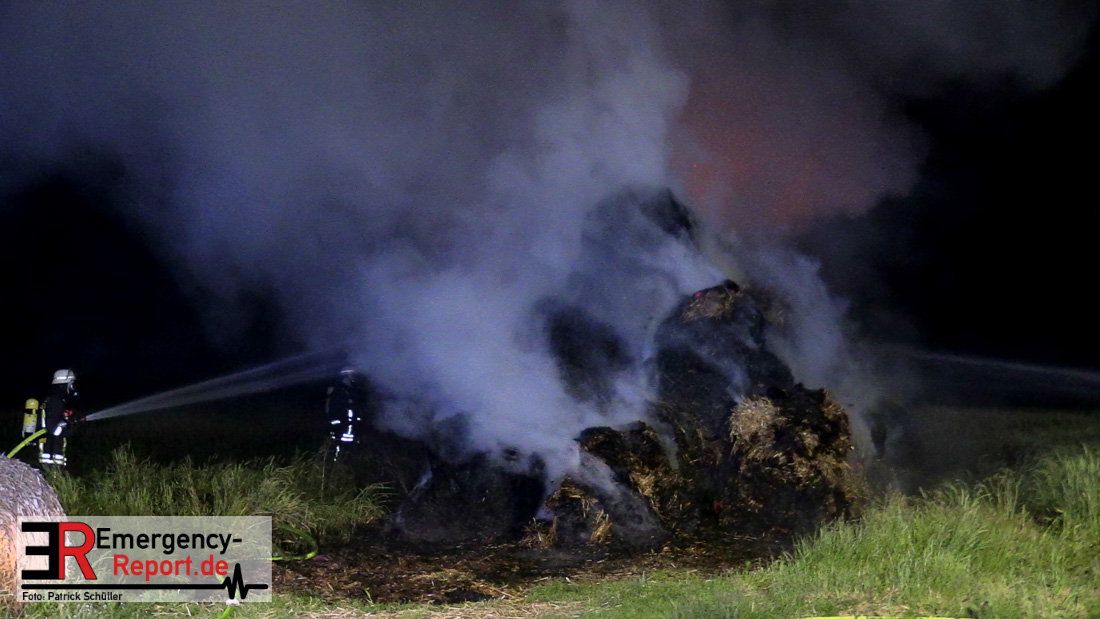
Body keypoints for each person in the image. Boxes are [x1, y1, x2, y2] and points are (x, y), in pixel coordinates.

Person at [40, 369, 80, 467]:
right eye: (71, 384)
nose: (72, 388)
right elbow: (53, 428)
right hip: (52, 456)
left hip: (50, 452)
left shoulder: (53, 400)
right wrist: (69, 428)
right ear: (66, 385)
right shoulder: (56, 402)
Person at [325, 367, 364, 463]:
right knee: (340, 449)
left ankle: (347, 466)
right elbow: (334, 409)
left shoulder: (352, 390)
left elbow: (356, 409)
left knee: (350, 451)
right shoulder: (340, 390)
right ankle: (336, 467)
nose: (353, 376)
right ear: (346, 375)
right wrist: (337, 426)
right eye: (351, 374)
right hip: (342, 428)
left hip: (351, 427)